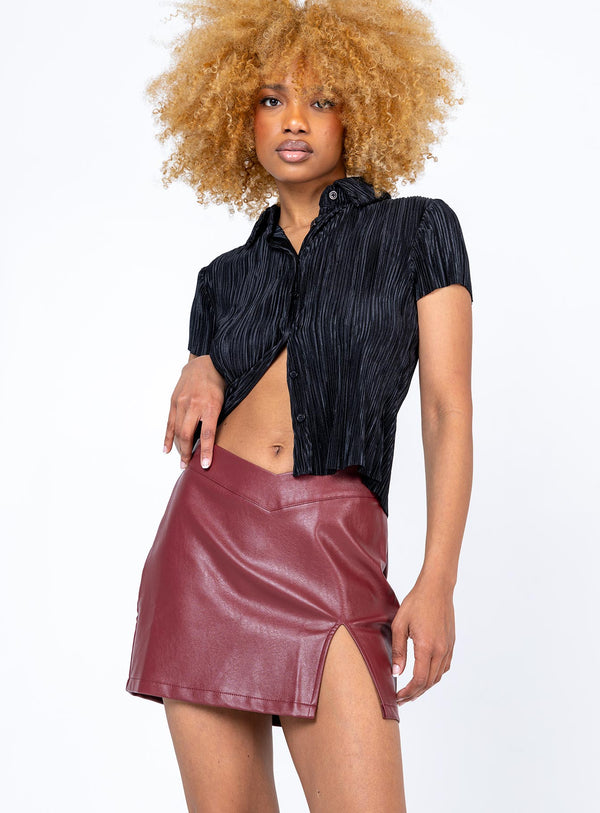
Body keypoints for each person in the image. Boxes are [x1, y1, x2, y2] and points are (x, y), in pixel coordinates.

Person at [125, 1, 473, 810]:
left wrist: (438, 579)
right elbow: (216, 381)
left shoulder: (419, 230)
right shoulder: (222, 279)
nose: (293, 120)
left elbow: (446, 411)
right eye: (272, 98)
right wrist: (201, 361)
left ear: (365, 112)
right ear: (237, 116)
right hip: (207, 545)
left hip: (333, 545)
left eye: (322, 100)